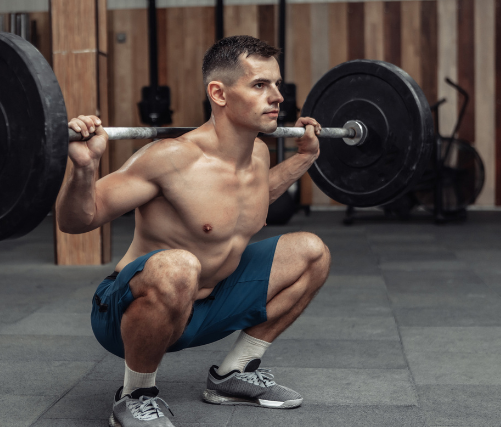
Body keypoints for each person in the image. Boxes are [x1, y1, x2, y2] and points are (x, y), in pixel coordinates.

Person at [57, 35, 331, 427]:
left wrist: (304, 159)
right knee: (179, 266)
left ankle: (233, 375)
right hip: (129, 315)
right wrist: (83, 169)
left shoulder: (258, 153)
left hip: (205, 306)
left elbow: (244, 205)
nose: (277, 97)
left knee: (312, 251)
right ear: (218, 93)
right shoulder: (169, 158)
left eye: (276, 84)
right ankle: (134, 393)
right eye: (259, 85)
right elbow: (76, 221)